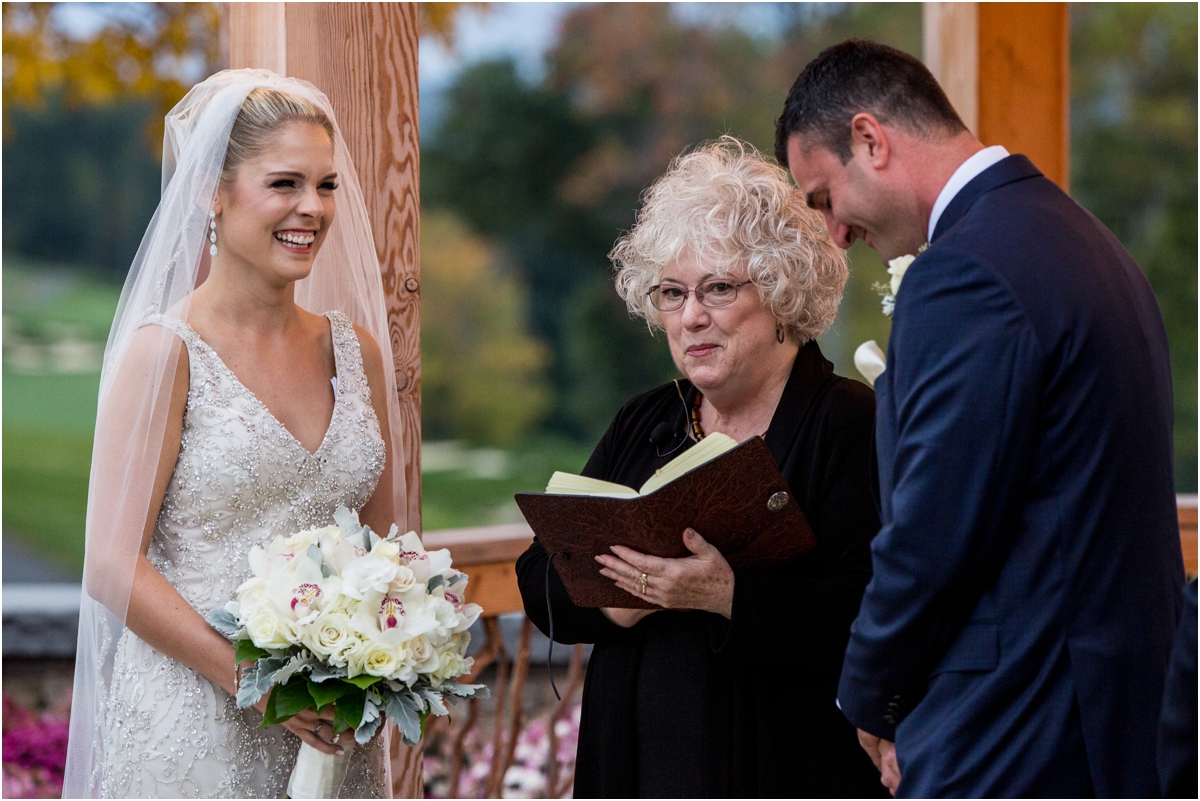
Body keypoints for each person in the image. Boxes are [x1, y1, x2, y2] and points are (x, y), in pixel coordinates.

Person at [776, 40, 1185, 797]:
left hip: (1019, 729)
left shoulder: (966, 272)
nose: (833, 232)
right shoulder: (1085, 241)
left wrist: (868, 697)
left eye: (824, 199)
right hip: (1116, 714)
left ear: (870, 138)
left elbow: (935, 531)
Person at [62, 70, 409, 797]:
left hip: (330, 733)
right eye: (284, 183)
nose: (310, 209)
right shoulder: (167, 352)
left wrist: (387, 658)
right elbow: (111, 565)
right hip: (195, 726)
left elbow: (385, 555)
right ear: (210, 192)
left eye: (326, 185)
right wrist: (261, 686)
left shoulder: (357, 354)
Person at [515, 137, 885, 798]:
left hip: (789, 764)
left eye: (717, 288)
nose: (691, 317)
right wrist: (621, 603)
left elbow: (873, 607)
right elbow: (539, 576)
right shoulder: (645, 420)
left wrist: (726, 596)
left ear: (781, 289)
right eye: (671, 293)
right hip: (634, 768)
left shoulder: (849, 424)